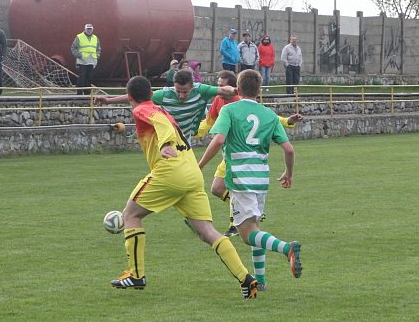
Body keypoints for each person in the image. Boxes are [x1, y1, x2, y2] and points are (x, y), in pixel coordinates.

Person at [109, 75, 258, 299]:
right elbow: (162, 120)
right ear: (152, 93)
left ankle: (137, 275)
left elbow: (158, 123)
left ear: (130, 97)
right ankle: (246, 278)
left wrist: (165, 144)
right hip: (192, 172)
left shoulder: (142, 110)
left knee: (130, 214)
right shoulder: (162, 109)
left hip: (171, 171)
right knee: (207, 231)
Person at [198, 69, 302, 291]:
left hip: (239, 177)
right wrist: (288, 173)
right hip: (261, 178)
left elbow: (218, 141)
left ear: (238, 88)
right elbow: (289, 149)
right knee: (256, 228)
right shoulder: (269, 115)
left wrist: (199, 166)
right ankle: (261, 281)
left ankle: (287, 248)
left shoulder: (229, 110)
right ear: (259, 90)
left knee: (248, 235)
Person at [95, 69, 236, 140]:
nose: (181, 96)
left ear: (192, 87)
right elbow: (136, 95)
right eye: (178, 91)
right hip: (165, 142)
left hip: (186, 141)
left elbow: (224, 89)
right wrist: (109, 100)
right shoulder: (165, 94)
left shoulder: (202, 90)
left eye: (185, 92)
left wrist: (237, 90)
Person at [71, 23, 101, 95]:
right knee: (82, 77)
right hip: (82, 61)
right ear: (85, 29)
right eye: (88, 29)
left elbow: (98, 48)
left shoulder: (95, 38)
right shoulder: (79, 37)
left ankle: (87, 93)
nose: (89, 30)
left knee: (89, 78)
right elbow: (73, 48)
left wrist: (97, 55)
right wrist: (79, 55)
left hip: (92, 61)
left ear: (92, 29)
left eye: (90, 29)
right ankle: (79, 93)